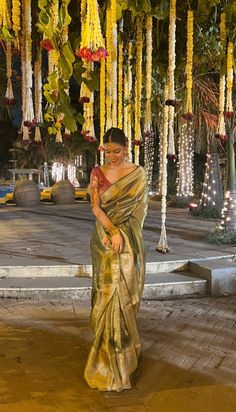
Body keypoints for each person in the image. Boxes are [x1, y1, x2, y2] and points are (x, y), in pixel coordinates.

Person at [84, 127, 148, 392]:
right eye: (107, 151)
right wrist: (112, 232)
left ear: (126, 148)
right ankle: (105, 363)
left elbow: (138, 212)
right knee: (105, 295)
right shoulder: (97, 173)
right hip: (104, 242)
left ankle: (125, 360)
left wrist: (122, 234)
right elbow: (95, 207)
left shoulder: (137, 174)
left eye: (117, 151)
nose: (112, 156)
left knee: (125, 298)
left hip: (128, 244)